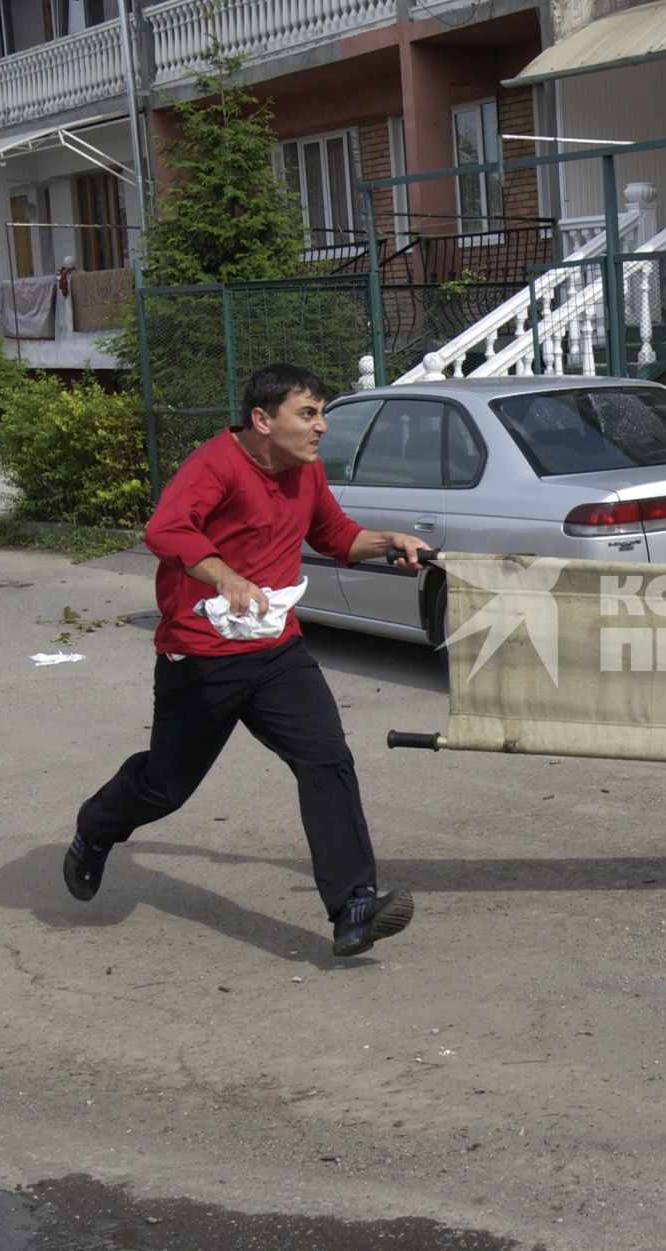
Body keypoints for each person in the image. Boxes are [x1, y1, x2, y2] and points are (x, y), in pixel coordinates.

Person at [65, 364, 432, 956]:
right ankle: (96, 827)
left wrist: (390, 541)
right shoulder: (215, 465)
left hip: (277, 651)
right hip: (202, 657)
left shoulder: (304, 473)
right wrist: (224, 575)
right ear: (263, 419)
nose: (320, 428)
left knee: (326, 758)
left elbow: (337, 536)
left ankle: (353, 905)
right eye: (307, 414)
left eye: (320, 414)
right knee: (166, 787)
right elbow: (165, 530)